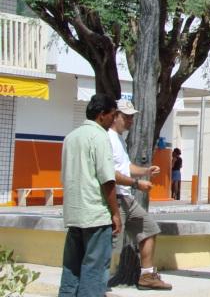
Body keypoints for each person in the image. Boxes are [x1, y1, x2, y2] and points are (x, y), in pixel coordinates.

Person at [58, 93, 122, 297]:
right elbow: (107, 180)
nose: (114, 120)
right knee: (94, 273)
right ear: (102, 115)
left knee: (71, 270)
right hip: (95, 215)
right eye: (113, 115)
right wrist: (115, 213)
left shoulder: (71, 137)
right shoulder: (100, 137)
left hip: (74, 214)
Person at [108, 99, 172, 291]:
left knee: (149, 229)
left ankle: (147, 276)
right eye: (126, 117)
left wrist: (145, 171)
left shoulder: (119, 139)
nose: (130, 121)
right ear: (114, 116)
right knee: (108, 243)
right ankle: (94, 284)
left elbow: (125, 167)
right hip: (116, 198)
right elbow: (110, 173)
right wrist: (137, 183)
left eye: (131, 117)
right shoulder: (107, 138)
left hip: (127, 198)